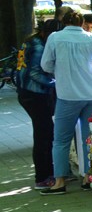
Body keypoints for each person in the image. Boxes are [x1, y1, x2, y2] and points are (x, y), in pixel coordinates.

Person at [39, 8, 92, 195]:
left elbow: (45, 64)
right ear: (81, 23)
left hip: (68, 95)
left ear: (64, 22)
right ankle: (90, 178)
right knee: (91, 138)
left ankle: (59, 181)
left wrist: (60, 70)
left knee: (61, 140)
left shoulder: (55, 38)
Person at [17, 19, 58, 187]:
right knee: (44, 135)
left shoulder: (32, 42)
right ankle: (43, 177)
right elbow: (35, 74)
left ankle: (48, 173)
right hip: (34, 94)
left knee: (45, 133)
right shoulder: (39, 47)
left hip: (27, 92)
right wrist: (56, 82)